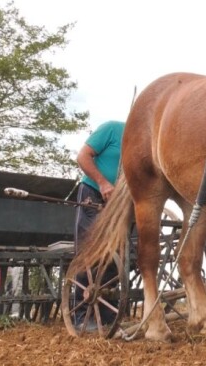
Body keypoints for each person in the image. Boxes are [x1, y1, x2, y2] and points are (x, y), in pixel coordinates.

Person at [73, 120, 125, 330]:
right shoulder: (113, 129)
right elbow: (82, 156)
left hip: (119, 202)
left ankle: (107, 315)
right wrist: (103, 183)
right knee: (91, 252)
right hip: (93, 193)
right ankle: (81, 315)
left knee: (115, 256)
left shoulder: (145, 141)